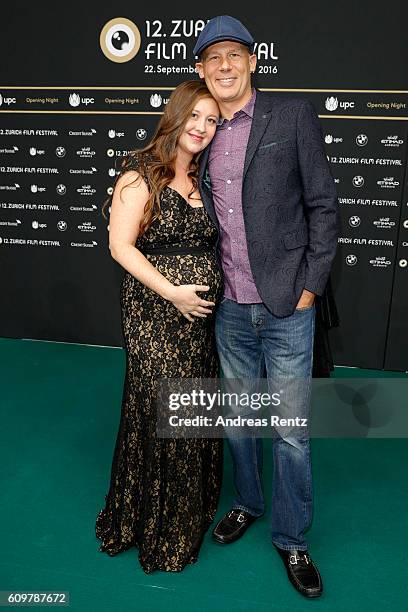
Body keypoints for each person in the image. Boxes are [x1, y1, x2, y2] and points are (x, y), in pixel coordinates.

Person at [194, 16, 340, 598]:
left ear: (253, 61)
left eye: (234, 54)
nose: (224, 66)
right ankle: (249, 503)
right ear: (201, 70)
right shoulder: (199, 130)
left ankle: (292, 538)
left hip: (287, 304)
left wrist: (310, 287)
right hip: (227, 305)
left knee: (290, 432)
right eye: (212, 58)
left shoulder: (292, 115)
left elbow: (324, 208)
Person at [95, 80, 224, 573]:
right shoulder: (139, 175)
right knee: (158, 406)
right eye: (195, 116)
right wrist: (173, 292)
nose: (202, 128)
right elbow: (121, 247)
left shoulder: (202, 179)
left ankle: (186, 508)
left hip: (199, 321)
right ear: (176, 116)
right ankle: (150, 519)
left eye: (212, 120)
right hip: (154, 314)